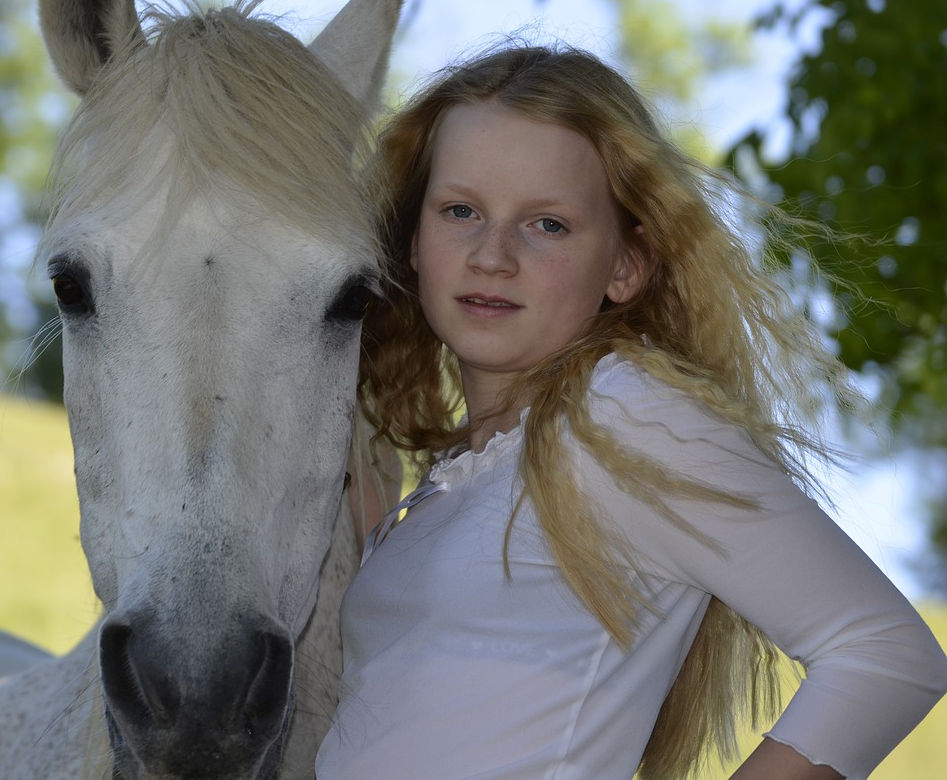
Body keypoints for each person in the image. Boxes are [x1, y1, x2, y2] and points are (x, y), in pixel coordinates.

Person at [317, 44, 947, 780]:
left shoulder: (623, 414)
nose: (492, 255)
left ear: (626, 266)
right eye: (461, 210)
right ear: (414, 240)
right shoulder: (457, 476)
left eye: (546, 224)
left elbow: (883, 653)